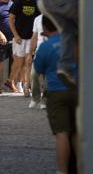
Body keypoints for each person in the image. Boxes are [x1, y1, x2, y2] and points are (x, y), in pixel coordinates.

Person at [33, 16, 77, 174]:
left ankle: (63, 171)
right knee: (77, 133)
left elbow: (38, 69)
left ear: (45, 27)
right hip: (76, 88)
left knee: (62, 134)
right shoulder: (73, 41)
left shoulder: (45, 46)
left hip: (56, 91)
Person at [7, 0, 40, 95]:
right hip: (19, 37)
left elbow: (39, 20)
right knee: (19, 62)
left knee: (28, 62)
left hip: (31, 37)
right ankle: (14, 81)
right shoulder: (18, 2)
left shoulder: (36, 3)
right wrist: (15, 35)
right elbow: (10, 19)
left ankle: (26, 86)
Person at [28, 14, 48, 109]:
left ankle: (45, 100)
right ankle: (35, 98)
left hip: (51, 50)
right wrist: (29, 53)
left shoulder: (56, 16)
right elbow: (34, 37)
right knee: (33, 74)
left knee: (48, 77)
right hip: (39, 52)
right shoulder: (37, 18)